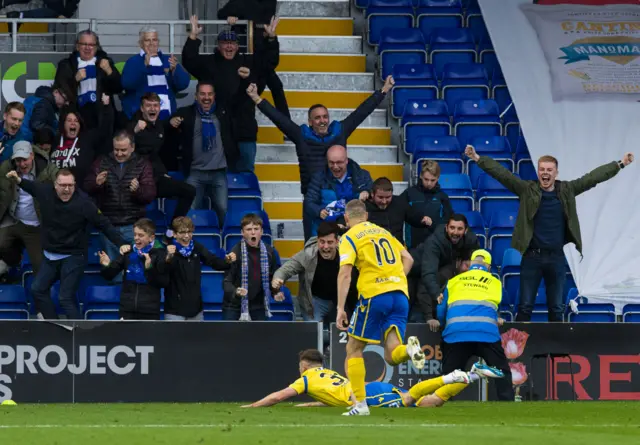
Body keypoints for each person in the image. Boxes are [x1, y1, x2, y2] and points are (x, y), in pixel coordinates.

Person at [465, 145, 635, 322]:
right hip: (532, 257)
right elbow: (502, 174)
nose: (545, 173)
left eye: (549, 170)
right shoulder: (526, 190)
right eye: (542, 169)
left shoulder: (567, 190)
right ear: (538, 172)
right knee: (524, 307)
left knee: (556, 309)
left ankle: (556, 351)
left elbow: (592, 178)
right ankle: (521, 350)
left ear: (556, 173)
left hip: (556, 258)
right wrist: (477, 158)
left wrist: (620, 164)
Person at [336, 199, 425, 416]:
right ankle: (410, 349)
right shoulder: (384, 232)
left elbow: (345, 272)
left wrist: (340, 308)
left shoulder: (349, 236)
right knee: (392, 354)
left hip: (375, 295)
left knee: (354, 348)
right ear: (366, 216)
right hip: (400, 295)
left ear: (347, 219)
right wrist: (394, 279)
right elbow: (409, 259)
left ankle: (360, 405)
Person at [5, 169, 129, 320]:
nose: (66, 189)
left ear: (75, 185)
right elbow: (31, 186)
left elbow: (105, 225)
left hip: (74, 255)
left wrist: (121, 243)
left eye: (70, 185)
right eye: (63, 185)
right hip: (50, 255)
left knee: (65, 297)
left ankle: (77, 334)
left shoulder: (85, 203)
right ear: (55, 185)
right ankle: (53, 325)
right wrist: (18, 180)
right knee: (37, 289)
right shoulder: (45, 192)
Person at [246, 76, 394, 196]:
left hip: (339, 193)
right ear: (310, 122)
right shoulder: (301, 135)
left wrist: (384, 90)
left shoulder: (340, 131)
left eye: (325, 117)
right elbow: (278, 118)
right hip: (313, 197)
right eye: (317, 118)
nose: (322, 121)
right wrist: (256, 98)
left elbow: (362, 112)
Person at [242, 348, 503, 408]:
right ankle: (473, 375)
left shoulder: (306, 379)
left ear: (305, 366)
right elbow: (333, 397)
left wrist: (253, 406)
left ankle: (454, 376)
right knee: (431, 403)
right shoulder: (328, 374)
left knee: (411, 398)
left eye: (300, 367)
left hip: (366, 394)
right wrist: (310, 404)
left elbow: (279, 396)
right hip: (369, 389)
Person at [182, 16, 281, 172]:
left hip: (245, 130)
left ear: (237, 46)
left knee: (246, 172)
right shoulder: (210, 63)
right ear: (218, 46)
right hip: (218, 131)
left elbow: (270, 62)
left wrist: (271, 38)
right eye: (225, 43)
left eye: (232, 43)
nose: (229, 47)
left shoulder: (248, 61)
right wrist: (193, 37)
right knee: (219, 175)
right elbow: (189, 61)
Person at [439, 249, 514, 401]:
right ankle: (508, 405)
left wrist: (443, 325)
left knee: (449, 377)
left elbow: (441, 310)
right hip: (486, 334)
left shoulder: (453, 282)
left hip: (456, 334)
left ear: (471, 264)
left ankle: (443, 403)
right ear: (488, 267)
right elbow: (500, 305)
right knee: (502, 372)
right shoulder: (495, 283)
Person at [84, 130, 156, 278]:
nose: (119, 153)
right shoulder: (101, 162)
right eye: (116, 149)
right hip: (109, 226)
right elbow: (87, 186)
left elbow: (150, 194)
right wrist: (96, 183)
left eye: (123, 150)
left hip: (134, 226)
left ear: (132, 147)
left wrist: (138, 191)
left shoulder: (143, 164)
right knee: (113, 273)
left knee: (136, 272)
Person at [271, 221, 358, 342]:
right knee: (314, 338)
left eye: (330, 242)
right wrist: (278, 279)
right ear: (317, 240)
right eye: (322, 242)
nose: (325, 247)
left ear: (337, 241)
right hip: (314, 302)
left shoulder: (347, 253)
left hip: (340, 301)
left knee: (342, 339)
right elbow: (285, 269)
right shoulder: (308, 255)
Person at [129, 92, 196, 234]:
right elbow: (122, 143)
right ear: (142, 108)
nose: (152, 109)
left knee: (189, 191)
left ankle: (172, 231)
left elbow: (154, 155)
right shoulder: (134, 125)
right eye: (148, 105)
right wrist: (133, 131)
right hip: (138, 181)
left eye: (155, 105)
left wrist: (162, 173)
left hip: (156, 179)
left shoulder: (159, 126)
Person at [217, 0, 290, 118]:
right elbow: (221, 14)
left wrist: (268, 35)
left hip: (261, 53)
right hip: (243, 54)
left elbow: (266, 22)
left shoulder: (269, 3)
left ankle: (288, 127)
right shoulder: (238, 2)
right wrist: (230, 16)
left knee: (275, 86)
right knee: (244, 94)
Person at [170, 82, 231, 224]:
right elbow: (169, 129)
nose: (206, 97)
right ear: (196, 96)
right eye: (202, 94)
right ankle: (189, 242)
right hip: (195, 173)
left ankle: (223, 241)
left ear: (214, 96)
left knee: (223, 209)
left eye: (209, 94)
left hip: (219, 172)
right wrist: (171, 122)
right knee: (190, 212)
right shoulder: (185, 113)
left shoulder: (223, 113)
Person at [157, 216, 236, 321]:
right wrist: (168, 259)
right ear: (175, 234)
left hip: (196, 311)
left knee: (197, 338)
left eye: (189, 232)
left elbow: (213, 261)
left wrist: (227, 262)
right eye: (182, 232)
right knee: (175, 338)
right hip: (174, 311)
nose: (186, 236)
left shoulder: (197, 247)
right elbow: (161, 274)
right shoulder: (167, 251)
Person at [0, 141, 58, 277]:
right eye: (18, 160)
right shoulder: (5, 169)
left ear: (32, 156)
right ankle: (15, 260)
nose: (22, 164)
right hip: (13, 221)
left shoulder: (48, 169)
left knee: (39, 267)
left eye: (24, 159)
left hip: (36, 225)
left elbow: (63, 186)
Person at [98, 218, 167, 320]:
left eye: (141, 235)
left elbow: (163, 282)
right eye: (135, 234)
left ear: (151, 238)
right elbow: (108, 275)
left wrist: (150, 268)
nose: (136, 238)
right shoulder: (129, 252)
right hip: (126, 310)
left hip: (149, 311)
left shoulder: (160, 253)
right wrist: (107, 265)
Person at [420, 213, 480, 327]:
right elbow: (428, 273)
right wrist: (436, 294)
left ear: (466, 230)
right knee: (427, 287)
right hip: (421, 268)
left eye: (460, 229)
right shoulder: (434, 242)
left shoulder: (471, 240)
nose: (455, 232)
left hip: (447, 268)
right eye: (452, 228)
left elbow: (479, 264)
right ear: (446, 227)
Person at [54, 30, 122, 130]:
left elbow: (118, 88)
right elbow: (60, 92)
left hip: (101, 118)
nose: (87, 48)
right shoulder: (66, 65)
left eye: (91, 44)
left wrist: (109, 71)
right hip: (76, 117)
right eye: (84, 44)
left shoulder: (105, 62)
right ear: (77, 46)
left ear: (96, 47)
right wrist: (75, 80)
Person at [303, 145, 373, 240]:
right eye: (331, 163)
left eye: (339, 162)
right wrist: (318, 211)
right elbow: (309, 202)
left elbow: (374, 191)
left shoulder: (361, 175)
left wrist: (367, 191)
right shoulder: (318, 178)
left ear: (346, 161)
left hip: (355, 232)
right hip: (327, 232)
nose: (335, 167)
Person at [121, 26, 191, 121]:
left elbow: (183, 84)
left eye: (154, 40)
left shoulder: (168, 60)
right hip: (141, 119)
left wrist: (175, 70)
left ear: (158, 42)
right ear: (140, 44)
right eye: (147, 40)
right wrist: (144, 66)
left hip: (167, 119)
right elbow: (127, 84)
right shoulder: (133, 61)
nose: (151, 44)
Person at [222, 213, 281, 320]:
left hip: (258, 306)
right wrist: (236, 292)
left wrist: (275, 292)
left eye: (256, 229)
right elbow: (226, 283)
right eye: (249, 229)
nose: (253, 232)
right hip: (234, 306)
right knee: (230, 337)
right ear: (242, 233)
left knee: (258, 337)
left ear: (262, 232)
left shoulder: (270, 252)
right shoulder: (235, 252)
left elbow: (272, 278)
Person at [51, 99, 114, 186]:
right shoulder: (57, 139)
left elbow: (104, 130)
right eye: (69, 120)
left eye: (76, 121)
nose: (73, 123)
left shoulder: (87, 138)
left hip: (80, 190)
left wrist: (106, 107)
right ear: (63, 124)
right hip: (58, 188)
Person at [400, 160, 454, 248]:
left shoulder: (442, 197)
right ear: (421, 176)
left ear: (438, 178)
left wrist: (432, 224)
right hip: (413, 246)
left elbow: (447, 222)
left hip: (436, 246)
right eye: (426, 179)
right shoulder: (409, 193)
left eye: (433, 180)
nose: (429, 183)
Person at [365, 177, 423, 245]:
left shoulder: (400, 203)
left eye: (388, 197)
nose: (384, 201)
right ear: (372, 194)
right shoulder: (364, 207)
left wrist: (422, 220)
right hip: (372, 250)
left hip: (397, 250)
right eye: (380, 197)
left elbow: (414, 218)